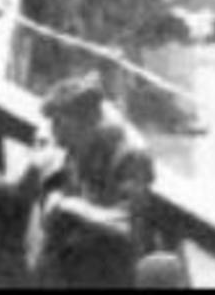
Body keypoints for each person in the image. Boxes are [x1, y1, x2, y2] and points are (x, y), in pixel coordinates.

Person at [20, 72, 159, 289]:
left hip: (111, 272)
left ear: (88, 121)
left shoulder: (130, 156)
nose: (55, 135)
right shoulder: (76, 148)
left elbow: (128, 227)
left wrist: (70, 206)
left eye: (60, 123)